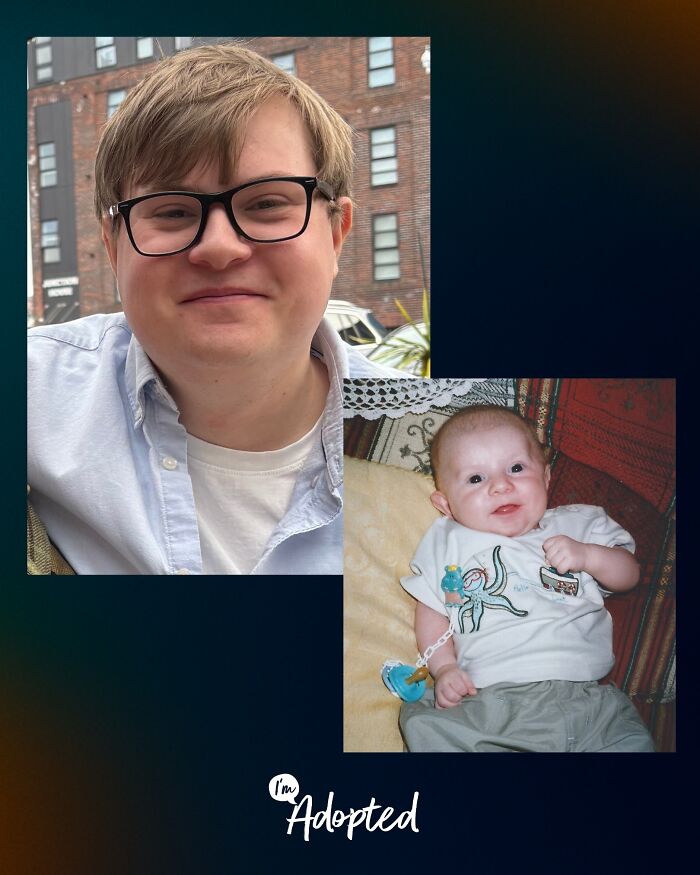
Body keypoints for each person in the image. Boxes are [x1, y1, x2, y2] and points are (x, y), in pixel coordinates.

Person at [28, 43, 403, 575]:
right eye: (173, 211)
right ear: (113, 247)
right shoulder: (32, 394)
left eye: (268, 203)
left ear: (337, 234)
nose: (220, 247)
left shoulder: (442, 448)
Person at [399, 404, 655, 752]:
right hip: (489, 699)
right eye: (476, 478)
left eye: (516, 468)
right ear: (445, 505)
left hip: (585, 699)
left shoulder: (579, 523)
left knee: (629, 743)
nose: (501, 486)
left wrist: (589, 555)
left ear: (546, 477)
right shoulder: (449, 540)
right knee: (423, 723)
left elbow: (630, 575)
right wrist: (444, 669)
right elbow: (432, 608)